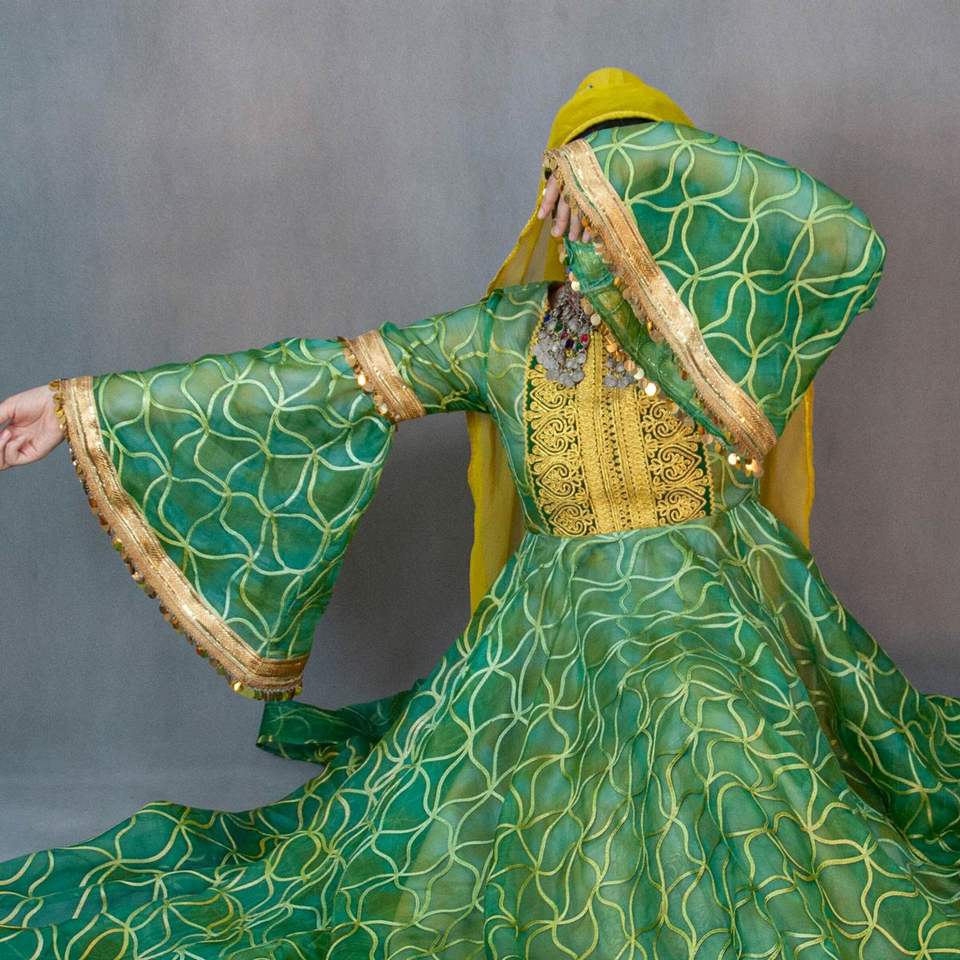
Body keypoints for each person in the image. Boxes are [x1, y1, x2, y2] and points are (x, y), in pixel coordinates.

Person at [0, 67, 957, 960]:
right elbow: (312, 379)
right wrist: (82, 406)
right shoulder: (504, 335)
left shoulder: (729, 334)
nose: (603, 201)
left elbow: (844, 241)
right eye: (582, 177)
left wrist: (630, 165)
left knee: (711, 733)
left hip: (720, 611)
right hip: (559, 630)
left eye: (635, 174)